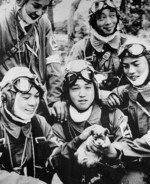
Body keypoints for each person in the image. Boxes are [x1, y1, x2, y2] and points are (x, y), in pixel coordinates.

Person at [51, 59, 132, 184]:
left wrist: (112, 150)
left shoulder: (113, 115)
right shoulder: (60, 122)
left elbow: (129, 147)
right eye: (75, 88)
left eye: (88, 87)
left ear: (95, 89)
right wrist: (77, 142)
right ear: (67, 92)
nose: (82, 94)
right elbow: (54, 162)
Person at [0, 0, 66, 124]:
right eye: (36, 6)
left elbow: (53, 62)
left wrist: (55, 99)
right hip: (7, 104)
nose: (39, 12)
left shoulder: (43, 23)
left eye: (44, 8)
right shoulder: (2, 22)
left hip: (36, 102)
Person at [0, 66, 64, 184]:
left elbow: (58, 154)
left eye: (36, 96)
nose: (33, 103)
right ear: (7, 98)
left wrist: (77, 146)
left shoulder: (40, 123)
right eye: (26, 97)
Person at [107, 37, 150, 183]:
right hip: (140, 164)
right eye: (126, 66)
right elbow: (92, 96)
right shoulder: (125, 92)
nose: (131, 71)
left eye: (136, 64)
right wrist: (106, 96)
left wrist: (119, 148)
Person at [68, 0, 126, 92]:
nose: (108, 22)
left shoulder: (127, 44)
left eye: (112, 16)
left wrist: (121, 91)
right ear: (93, 21)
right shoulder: (80, 48)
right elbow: (70, 84)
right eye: (102, 18)